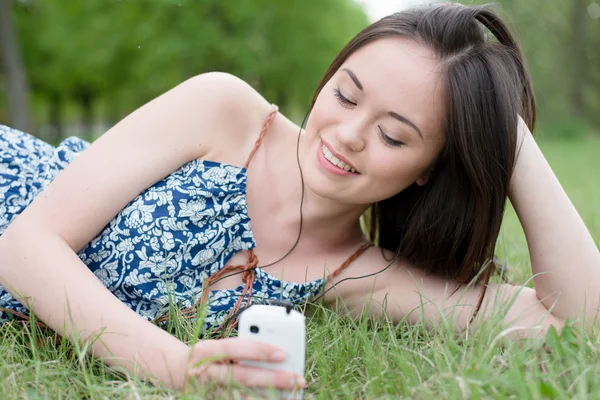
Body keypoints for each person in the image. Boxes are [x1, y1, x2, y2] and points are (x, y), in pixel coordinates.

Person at [0, 2, 598, 393]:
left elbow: (580, 319)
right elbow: (25, 245)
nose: (346, 135)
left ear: (428, 169)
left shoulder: (359, 275)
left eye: (393, 135)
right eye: (344, 95)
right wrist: (176, 367)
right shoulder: (224, 111)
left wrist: (505, 129)